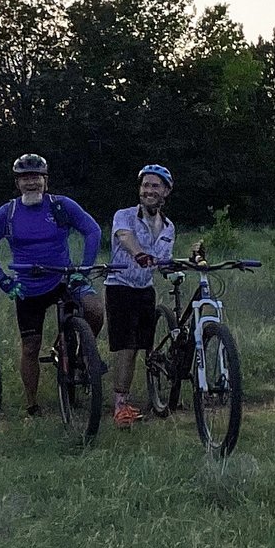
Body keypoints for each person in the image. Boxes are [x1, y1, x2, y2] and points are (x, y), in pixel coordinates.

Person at [0, 153, 106, 418]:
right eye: (25, 178)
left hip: (63, 278)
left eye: (36, 177)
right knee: (31, 347)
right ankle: (32, 404)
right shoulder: (7, 213)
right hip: (28, 286)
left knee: (94, 309)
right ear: (17, 183)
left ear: (46, 181)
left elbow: (93, 230)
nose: (31, 183)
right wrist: (3, 281)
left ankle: (79, 353)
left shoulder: (61, 205)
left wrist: (84, 269)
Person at [103, 163, 176, 428]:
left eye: (155, 186)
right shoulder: (124, 215)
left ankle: (152, 397)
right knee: (127, 347)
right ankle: (120, 405)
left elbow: (164, 262)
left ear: (166, 191)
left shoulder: (168, 227)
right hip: (120, 286)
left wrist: (184, 264)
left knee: (146, 346)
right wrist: (139, 254)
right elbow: (125, 238)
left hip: (146, 288)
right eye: (145, 185)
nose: (148, 191)